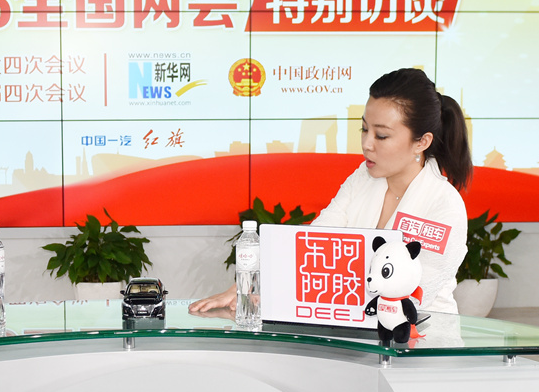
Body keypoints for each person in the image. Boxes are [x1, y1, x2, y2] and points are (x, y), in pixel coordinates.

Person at [190, 67, 472, 315]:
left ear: (422, 142)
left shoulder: (444, 205)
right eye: (364, 130)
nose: (367, 144)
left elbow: (413, 295)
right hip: (356, 334)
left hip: (422, 342)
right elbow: (314, 243)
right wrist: (248, 287)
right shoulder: (363, 178)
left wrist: (285, 295)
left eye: (381, 135)